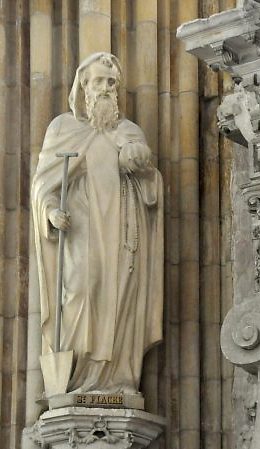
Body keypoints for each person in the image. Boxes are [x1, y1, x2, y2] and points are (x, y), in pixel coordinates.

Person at [32, 52, 163, 394]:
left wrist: (142, 167)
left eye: (111, 83)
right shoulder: (64, 129)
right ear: (83, 87)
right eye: (98, 81)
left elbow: (151, 188)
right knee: (79, 289)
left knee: (118, 299)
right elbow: (44, 186)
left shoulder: (128, 132)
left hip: (122, 234)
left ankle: (116, 379)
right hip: (80, 231)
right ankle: (75, 381)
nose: (105, 89)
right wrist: (49, 212)